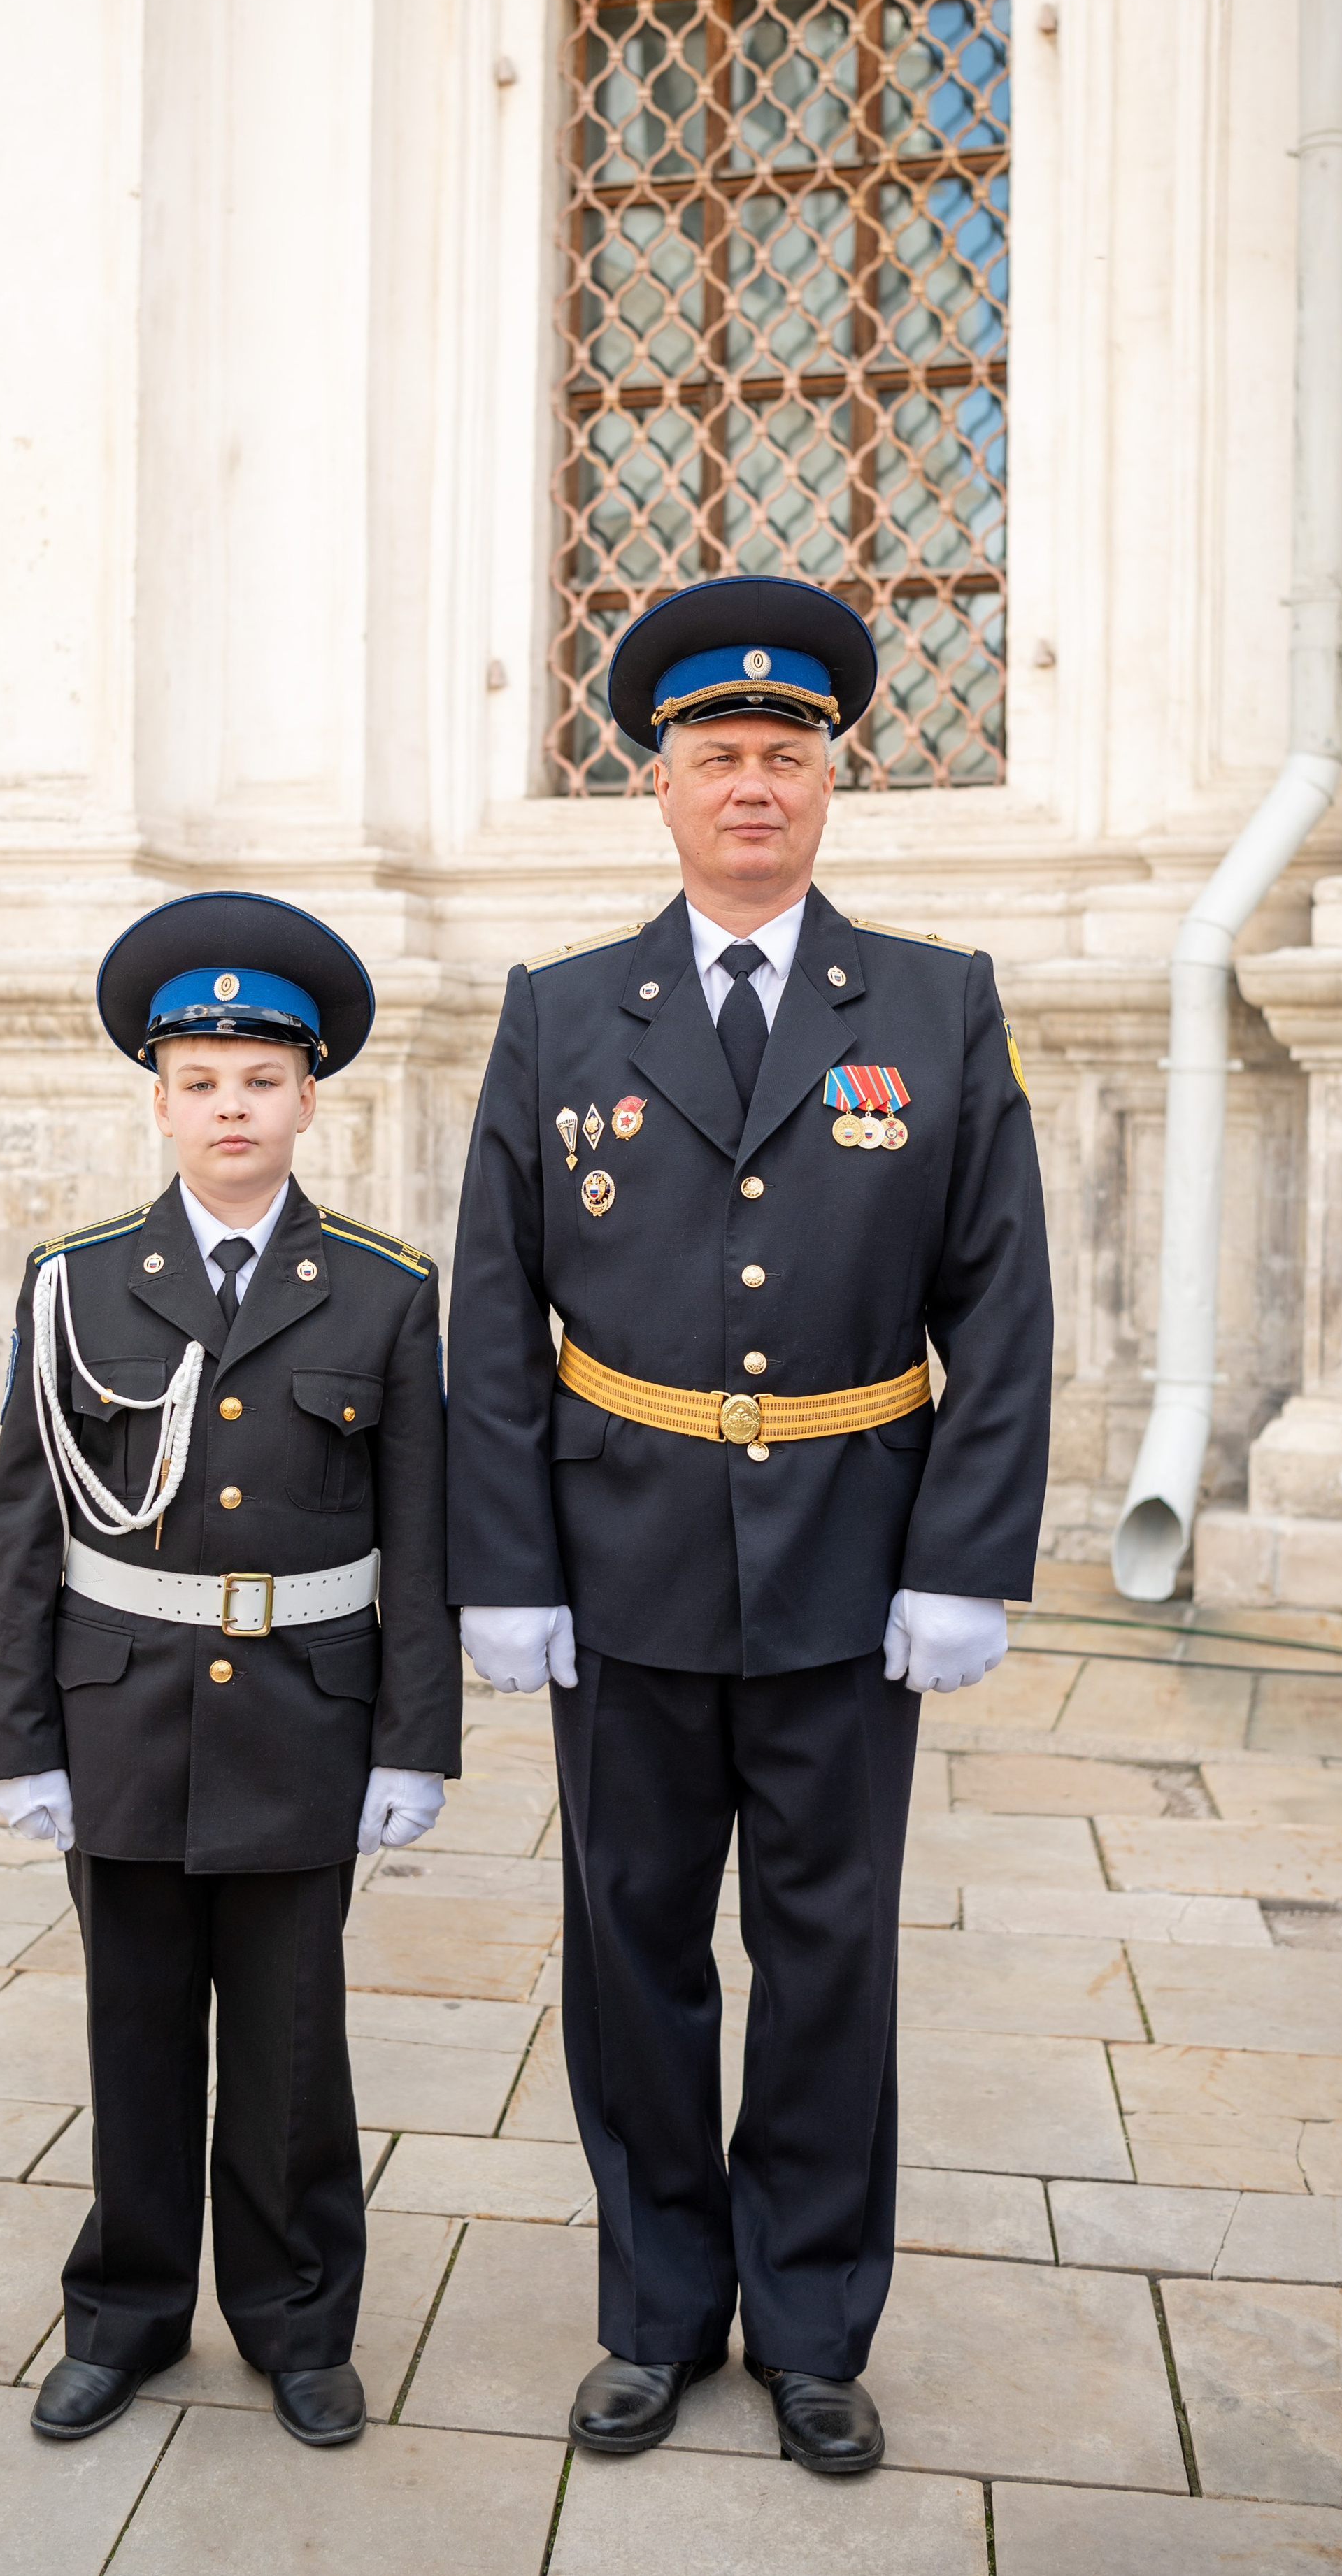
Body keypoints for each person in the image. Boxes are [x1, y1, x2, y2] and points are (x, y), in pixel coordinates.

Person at [446, 575, 1052, 2475]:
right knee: (630, 1947)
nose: (754, 786)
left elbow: (1006, 1304)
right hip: (619, 1568)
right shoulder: (561, 1018)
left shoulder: (937, 1008)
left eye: (787, 754)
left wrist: (969, 1553)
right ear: (663, 787)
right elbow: (493, 1312)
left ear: (829, 782)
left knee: (829, 1952)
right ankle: (656, 2309)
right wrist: (506, 1565)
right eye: (718, 755)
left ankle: (808, 2318)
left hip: (855, 1571)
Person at [0, 891, 460, 2449]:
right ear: (160, 1097)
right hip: (121, 1711)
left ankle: (296, 2320)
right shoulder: (76, 1282)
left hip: (308, 1722)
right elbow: (24, 1528)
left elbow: (422, 1532)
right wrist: (19, 1741)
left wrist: (413, 1742)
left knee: (289, 2045)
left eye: (260, 1079)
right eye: (200, 1080)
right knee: (129, 2032)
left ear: (309, 1096)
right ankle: (122, 2314)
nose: (230, 1107)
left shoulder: (382, 1290)